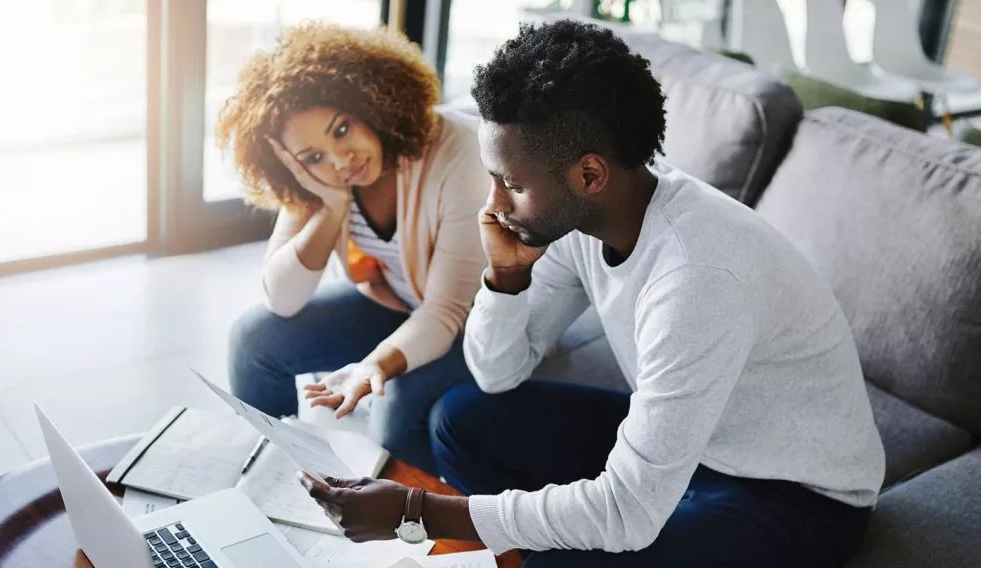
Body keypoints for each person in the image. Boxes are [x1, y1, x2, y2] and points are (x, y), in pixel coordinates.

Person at [294, 20, 886, 567]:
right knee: (460, 420)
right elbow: (498, 374)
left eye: (511, 184)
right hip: (701, 446)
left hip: (796, 497)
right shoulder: (584, 218)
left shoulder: (696, 279)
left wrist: (413, 510)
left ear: (590, 175)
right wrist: (506, 279)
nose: (493, 206)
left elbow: (628, 512)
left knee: (569, 559)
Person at [218, 22, 488, 473]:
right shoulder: (321, 183)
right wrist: (331, 206)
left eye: (342, 129)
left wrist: (373, 366)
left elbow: (446, 313)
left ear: (371, 101)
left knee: (394, 407)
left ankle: (411, 536)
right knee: (253, 339)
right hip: (401, 305)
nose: (341, 161)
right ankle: (271, 485)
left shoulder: (457, 152)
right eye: (313, 157)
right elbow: (282, 299)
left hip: (480, 326)